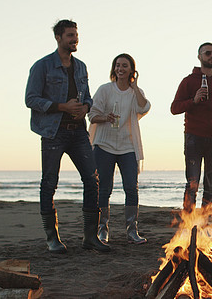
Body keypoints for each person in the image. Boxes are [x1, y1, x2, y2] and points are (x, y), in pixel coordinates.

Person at [25, 19, 110, 253]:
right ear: (58, 38)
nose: (75, 39)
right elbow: (30, 99)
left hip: (78, 132)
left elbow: (89, 98)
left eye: (76, 35)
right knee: (49, 183)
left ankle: (90, 237)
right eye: (70, 36)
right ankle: (52, 239)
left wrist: (85, 107)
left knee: (92, 180)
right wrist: (62, 106)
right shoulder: (42, 66)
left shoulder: (81, 66)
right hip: (53, 132)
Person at [88, 53, 151, 245]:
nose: (120, 69)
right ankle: (102, 230)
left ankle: (132, 230)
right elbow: (91, 115)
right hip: (104, 145)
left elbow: (145, 107)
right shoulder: (105, 90)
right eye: (117, 65)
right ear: (113, 68)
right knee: (104, 189)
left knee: (131, 187)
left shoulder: (134, 93)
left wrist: (135, 85)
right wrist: (105, 117)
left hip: (128, 146)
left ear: (132, 70)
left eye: (125, 66)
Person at [171, 42, 212, 212]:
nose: (211, 56)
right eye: (207, 53)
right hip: (193, 138)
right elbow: (174, 108)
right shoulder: (188, 81)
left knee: (210, 186)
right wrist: (193, 101)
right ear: (199, 57)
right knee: (192, 184)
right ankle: (188, 224)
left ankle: (206, 224)